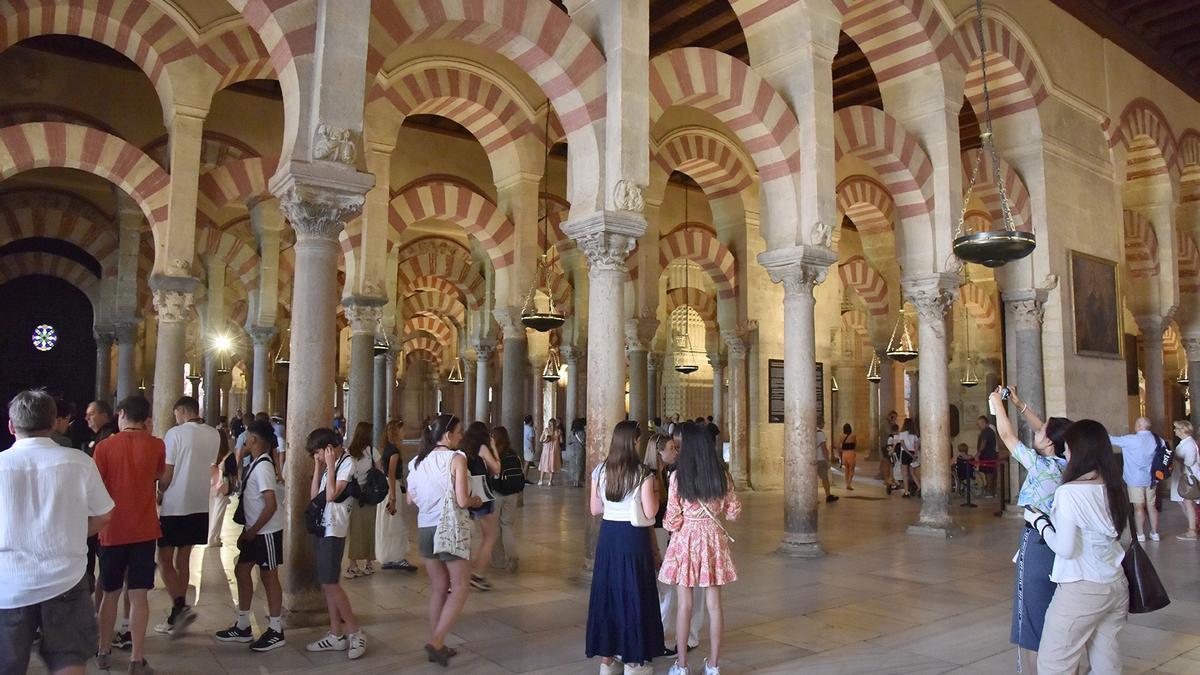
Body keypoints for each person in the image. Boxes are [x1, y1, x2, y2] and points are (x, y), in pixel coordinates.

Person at [0, 390, 114, 675]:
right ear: (53, 424)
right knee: (69, 660)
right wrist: (74, 531)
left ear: (12, 426)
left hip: (8, 584)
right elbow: (104, 514)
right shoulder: (79, 463)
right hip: (66, 580)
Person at [1024, 419, 1130, 675]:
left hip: (1083, 587)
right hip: (1115, 583)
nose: (1066, 453)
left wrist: (1039, 522)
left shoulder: (1071, 492)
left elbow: (1065, 548)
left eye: (1069, 447)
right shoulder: (1114, 486)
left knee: (1054, 664)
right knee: (1107, 663)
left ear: (1079, 451)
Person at [991, 386, 1072, 674]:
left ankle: (1033, 669)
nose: (1036, 432)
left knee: (1029, 612)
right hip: (1058, 540)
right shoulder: (1068, 463)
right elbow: (1052, 433)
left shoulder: (1042, 467)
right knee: (1049, 606)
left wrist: (996, 405)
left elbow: (1007, 436)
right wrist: (1019, 404)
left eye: (1041, 432)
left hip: (1037, 540)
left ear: (1050, 442)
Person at [660, 423, 741, 675]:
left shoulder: (677, 477)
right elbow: (734, 511)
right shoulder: (721, 475)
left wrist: (677, 521)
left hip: (685, 541)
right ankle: (714, 666)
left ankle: (682, 666)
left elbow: (672, 519)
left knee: (684, 606)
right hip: (713, 541)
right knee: (714, 606)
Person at [586, 420, 665, 675]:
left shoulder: (600, 470)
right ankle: (633, 661)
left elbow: (595, 509)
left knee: (609, 594)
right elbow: (651, 512)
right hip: (633, 538)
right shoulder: (642, 473)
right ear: (634, 442)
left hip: (609, 537)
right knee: (634, 594)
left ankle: (607, 661)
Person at [93, 395, 165, 673]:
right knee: (138, 596)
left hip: (113, 530)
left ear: (121, 414)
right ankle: (136, 656)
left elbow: (96, 489)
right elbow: (158, 476)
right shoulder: (157, 445)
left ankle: (103, 650)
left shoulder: (104, 447)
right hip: (145, 529)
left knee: (110, 593)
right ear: (146, 417)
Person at [407, 413, 481, 666]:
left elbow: (411, 499)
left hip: (425, 527)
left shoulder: (417, 462)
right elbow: (462, 500)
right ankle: (436, 642)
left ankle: (437, 641)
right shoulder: (456, 458)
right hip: (448, 527)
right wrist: (475, 500)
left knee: (439, 587)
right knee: (460, 586)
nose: (461, 437)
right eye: (459, 432)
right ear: (448, 435)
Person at [214, 419, 286, 652]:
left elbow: (271, 504)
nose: (244, 437)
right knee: (241, 570)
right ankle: (243, 625)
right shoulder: (257, 462)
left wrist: (252, 531)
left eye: (247, 435)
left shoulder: (264, 466)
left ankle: (276, 629)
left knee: (269, 577)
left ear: (253, 439)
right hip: (254, 532)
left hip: (265, 532)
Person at [155, 395, 220, 637]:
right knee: (184, 559)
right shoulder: (214, 434)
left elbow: (168, 474)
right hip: (199, 503)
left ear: (182, 411)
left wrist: (159, 491)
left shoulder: (175, 434)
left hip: (175, 504)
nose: (176, 418)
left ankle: (180, 607)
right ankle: (176, 614)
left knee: (163, 559)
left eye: (176, 414)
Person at [304, 427, 366, 659]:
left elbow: (331, 495)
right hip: (323, 527)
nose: (316, 457)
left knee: (331, 583)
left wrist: (329, 465)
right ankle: (335, 634)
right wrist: (319, 466)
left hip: (335, 529)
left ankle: (355, 631)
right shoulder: (329, 465)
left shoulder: (347, 464)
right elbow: (315, 498)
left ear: (329, 448)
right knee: (327, 582)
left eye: (318, 453)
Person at [653, 429, 703, 656]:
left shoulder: (672, 475)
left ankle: (688, 638)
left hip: (679, 535)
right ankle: (663, 635)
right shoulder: (662, 476)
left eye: (678, 447)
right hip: (666, 534)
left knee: (685, 592)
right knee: (670, 591)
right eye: (673, 447)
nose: (677, 451)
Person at [461, 421, 500, 591]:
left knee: (468, 535)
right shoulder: (482, 448)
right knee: (490, 536)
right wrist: (494, 448)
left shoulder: (463, 447)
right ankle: (478, 574)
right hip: (482, 496)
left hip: (467, 494)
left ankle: (465, 571)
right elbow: (497, 469)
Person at [1109, 417, 1161, 541]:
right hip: (1152, 478)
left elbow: (1110, 439)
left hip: (1134, 479)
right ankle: (1155, 533)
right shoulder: (1157, 440)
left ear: (1138, 426)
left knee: (1138, 507)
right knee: (1151, 506)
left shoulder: (1131, 439)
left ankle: (1140, 534)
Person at [378, 419, 417, 571]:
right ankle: (396, 557)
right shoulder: (393, 451)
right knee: (395, 523)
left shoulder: (387, 448)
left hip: (388, 487)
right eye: (402, 430)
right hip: (391, 488)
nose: (404, 432)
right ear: (396, 432)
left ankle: (388, 556)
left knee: (389, 524)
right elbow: (391, 474)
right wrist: (393, 498)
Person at [343, 422, 379, 578]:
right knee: (370, 528)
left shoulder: (349, 452)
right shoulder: (372, 452)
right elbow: (379, 473)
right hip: (369, 495)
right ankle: (369, 564)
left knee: (354, 530)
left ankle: (352, 565)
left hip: (354, 495)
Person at [489, 426, 525, 572]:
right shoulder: (513, 454)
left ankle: (498, 560)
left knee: (495, 528)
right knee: (507, 525)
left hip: (496, 494)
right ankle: (512, 556)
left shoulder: (494, 454)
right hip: (512, 493)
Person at [1170, 420, 1200, 540]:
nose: (1174, 430)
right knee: (1184, 502)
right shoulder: (1185, 442)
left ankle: (1192, 529)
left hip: (1188, 477)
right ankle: (1193, 527)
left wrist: (1175, 457)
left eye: (1177, 428)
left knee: (1188, 502)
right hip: (1184, 476)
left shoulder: (1189, 444)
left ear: (1183, 430)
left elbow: (1189, 461)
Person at [207, 426, 234, 547]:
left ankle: (211, 537)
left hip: (210, 486)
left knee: (211, 512)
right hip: (222, 487)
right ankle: (213, 539)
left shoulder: (209, 453)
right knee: (218, 514)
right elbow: (233, 474)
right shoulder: (229, 455)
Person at [897, 419, 921, 498]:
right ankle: (919, 487)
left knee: (905, 474)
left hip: (905, 453)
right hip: (913, 453)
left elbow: (903, 445)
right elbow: (917, 445)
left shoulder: (902, 433)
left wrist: (908, 453)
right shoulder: (914, 434)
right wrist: (915, 454)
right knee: (912, 473)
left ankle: (906, 492)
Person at [815, 419, 838, 503]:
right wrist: (828, 461)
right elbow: (824, 448)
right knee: (825, 479)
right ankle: (828, 496)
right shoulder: (820, 433)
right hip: (820, 459)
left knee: (813, 480)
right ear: (820, 423)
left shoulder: (810, 432)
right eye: (823, 423)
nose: (824, 424)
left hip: (813, 459)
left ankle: (813, 498)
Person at [976, 415, 1000, 497]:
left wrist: (979, 453)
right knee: (991, 473)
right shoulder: (990, 430)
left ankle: (989, 492)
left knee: (988, 473)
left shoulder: (985, 431)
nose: (978, 426)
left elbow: (983, 442)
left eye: (979, 424)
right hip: (991, 455)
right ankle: (993, 491)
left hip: (987, 455)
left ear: (984, 423)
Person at [537, 417, 561, 486]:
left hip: (546, 450)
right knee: (552, 465)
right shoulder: (558, 431)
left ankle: (541, 480)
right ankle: (550, 481)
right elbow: (561, 441)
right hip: (554, 450)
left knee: (544, 465)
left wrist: (545, 440)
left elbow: (540, 440)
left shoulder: (546, 430)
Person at [564, 417, 586, 487]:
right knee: (579, 465)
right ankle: (578, 481)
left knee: (573, 465)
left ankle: (574, 481)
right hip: (579, 449)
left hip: (572, 449)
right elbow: (583, 441)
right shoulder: (582, 432)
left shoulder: (571, 432)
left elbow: (569, 441)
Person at [838, 423, 857, 490]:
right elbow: (855, 444)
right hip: (851, 453)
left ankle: (847, 483)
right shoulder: (853, 435)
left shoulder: (841, 436)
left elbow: (839, 446)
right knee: (852, 469)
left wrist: (840, 455)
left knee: (846, 469)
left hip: (844, 453)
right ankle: (849, 484)